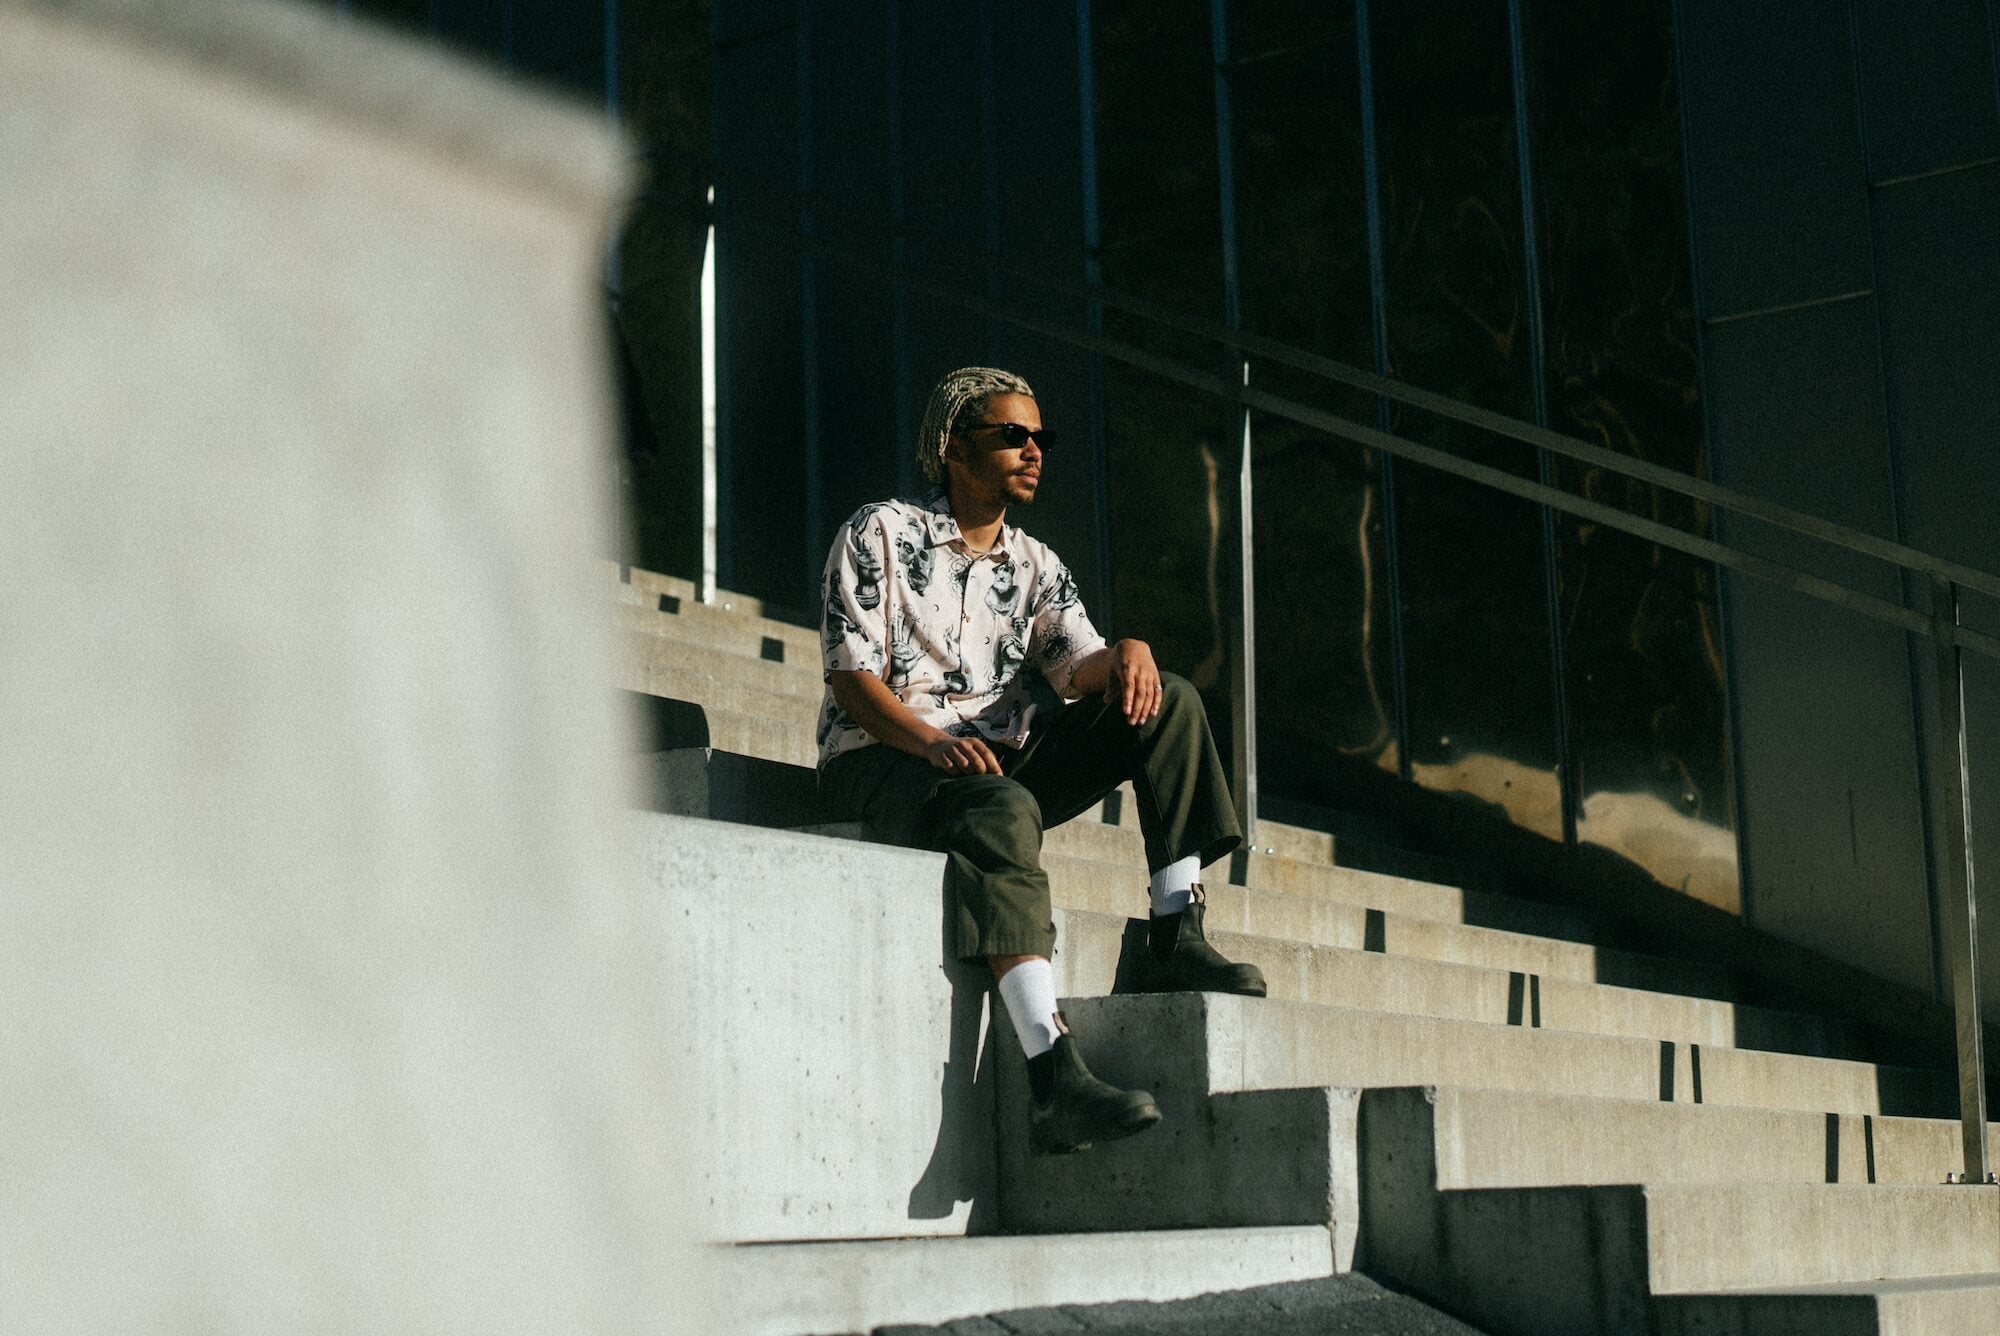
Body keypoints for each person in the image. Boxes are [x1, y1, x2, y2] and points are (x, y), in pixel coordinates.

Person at [816, 366, 1265, 1156]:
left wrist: (1128, 652)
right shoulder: (879, 531)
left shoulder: (1035, 563)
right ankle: (1055, 1077)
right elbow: (851, 680)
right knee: (1003, 809)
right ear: (954, 446)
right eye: (1012, 435)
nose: (1034, 451)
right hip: (885, 758)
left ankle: (1173, 932)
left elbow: (1079, 665)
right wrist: (930, 741)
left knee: (1169, 702)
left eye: (1041, 438)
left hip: (992, 761)